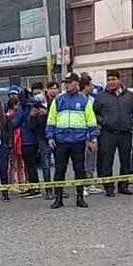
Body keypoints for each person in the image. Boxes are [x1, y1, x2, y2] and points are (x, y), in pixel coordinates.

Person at [46, 72, 99, 209]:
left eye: (69, 82)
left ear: (76, 83)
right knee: (59, 170)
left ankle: (80, 197)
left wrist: (92, 138)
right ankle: (58, 198)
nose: (66, 85)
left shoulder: (84, 100)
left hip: (78, 141)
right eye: (65, 82)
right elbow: (51, 120)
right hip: (61, 141)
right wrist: (50, 137)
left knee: (79, 170)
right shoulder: (58, 99)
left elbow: (91, 120)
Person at [93, 70, 133, 197]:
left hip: (125, 133)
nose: (111, 82)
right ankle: (109, 187)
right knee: (107, 161)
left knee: (125, 161)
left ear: (119, 80)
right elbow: (94, 112)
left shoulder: (129, 95)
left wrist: (132, 122)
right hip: (108, 133)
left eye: (113, 79)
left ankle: (123, 186)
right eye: (109, 80)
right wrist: (103, 121)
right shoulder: (101, 96)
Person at [80, 76, 103, 195]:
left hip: (93, 134)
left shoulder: (93, 100)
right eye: (91, 85)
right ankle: (81, 185)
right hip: (81, 135)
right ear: (85, 86)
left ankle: (90, 183)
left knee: (91, 160)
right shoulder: (78, 100)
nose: (92, 87)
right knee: (82, 161)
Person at [29, 82, 52, 199]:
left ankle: (60, 189)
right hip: (42, 138)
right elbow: (32, 127)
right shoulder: (34, 107)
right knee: (46, 164)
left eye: (38, 93)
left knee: (60, 164)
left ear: (44, 91)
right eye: (34, 94)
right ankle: (49, 190)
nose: (37, 95)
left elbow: (57, 118)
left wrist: (48, 114)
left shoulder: (52, 102)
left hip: (56, 137)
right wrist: (32, 116)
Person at [6, 97, 26, 190]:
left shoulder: (19, 114)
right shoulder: (8, 116)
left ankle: (22, 182)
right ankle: (13, 183)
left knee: (20, 164)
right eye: (16, 104)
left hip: (19, 141)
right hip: (12, 142)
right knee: (12, 164)